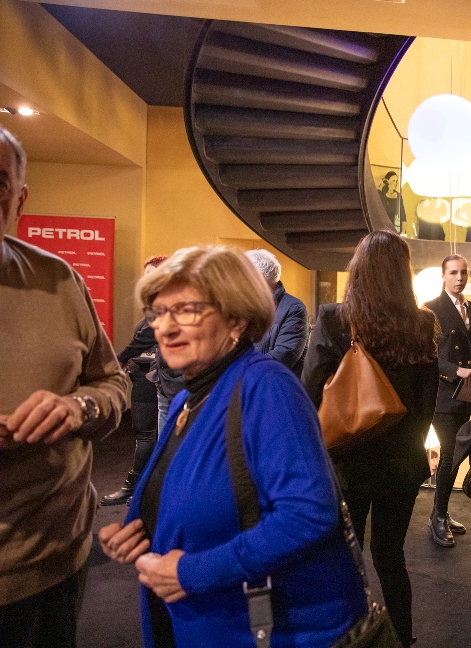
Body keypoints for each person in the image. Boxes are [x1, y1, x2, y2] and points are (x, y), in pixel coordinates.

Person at [97, 245, 368, 647]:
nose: (164, 328)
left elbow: (309, 514)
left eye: (185, 311)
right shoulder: (186, 400)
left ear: (237, 319)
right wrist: (139, 530)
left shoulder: (267, 387)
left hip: (271, 631)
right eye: (158, 313)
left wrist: (193, 572)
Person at [0, 127, 129, 647]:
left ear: (19, 199)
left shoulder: (59, 279)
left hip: (54, 564)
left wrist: (80, 407)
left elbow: (112, 382)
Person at [302, 230, 438, 645]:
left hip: (348, 459)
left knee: (346, 555)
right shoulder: (422, 323)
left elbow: (311, 388)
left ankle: (349, 636)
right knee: (391, 556)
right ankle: (403, 638)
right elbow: (426, 405)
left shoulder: (334, 319)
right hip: (402, 463)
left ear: (358, 270)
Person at [422, 254, 471, 548]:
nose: (460, 278)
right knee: (449, 456)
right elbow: (425, 354)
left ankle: (442, 513)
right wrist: (454, 370)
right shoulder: (430, 309)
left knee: (456, 456)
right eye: (453, 273)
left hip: (467, 394)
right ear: (443, 276)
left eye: (464, 273)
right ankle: (438, 516)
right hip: (444, 395)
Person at [102, 254, 171, 506]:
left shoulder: (170, 304)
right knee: (146, 435)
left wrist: (119, 359)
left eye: (151, 275)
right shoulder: (154, 306)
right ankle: (140, 490)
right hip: (145, 377)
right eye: (145, 275)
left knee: (157, 438)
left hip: (163, 381)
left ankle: (141, 491)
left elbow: (147, 339)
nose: (145, 280)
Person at [246, 248, 308, 376]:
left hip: (270, 383)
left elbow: (284, 355)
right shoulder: (241, 304)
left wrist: (240, 369)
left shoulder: (293, 308)